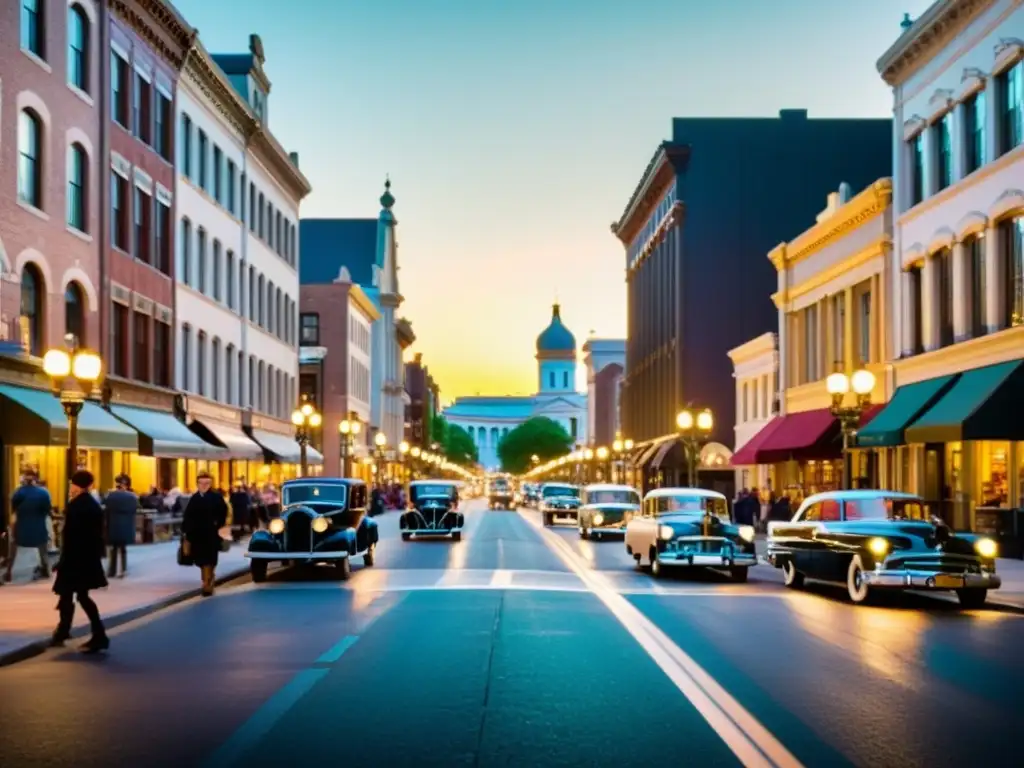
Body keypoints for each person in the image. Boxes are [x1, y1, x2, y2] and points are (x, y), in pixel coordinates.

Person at [52, 470, 109, 653]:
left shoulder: (77, 506)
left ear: (77, 485)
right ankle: (65, 630)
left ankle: (97, 634)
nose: (70, 488)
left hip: (75, 559)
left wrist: (62, 561)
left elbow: (72, 537)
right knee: (71, 594)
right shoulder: (92, 504)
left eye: (72, 484)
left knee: (75, 595)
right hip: (86, 558)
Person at [181, 471, 228, 597]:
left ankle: (207, 583)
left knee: (210, 559)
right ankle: (207, 579)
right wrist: (186, 532)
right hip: (197, 535)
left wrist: (218, 524)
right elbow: (188, 516)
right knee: (201, 560)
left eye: (207, 483)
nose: (204, 485)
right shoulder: (194, 498)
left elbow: (223, 513)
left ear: (211, 483)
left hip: (211, 534)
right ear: (197, 484)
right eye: (201, 483)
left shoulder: (216, 497)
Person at [4, 468, 53, 584]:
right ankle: (45, 569)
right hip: (38, 526)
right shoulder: (43, 493)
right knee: (43, 549)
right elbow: (47, 510)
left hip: (22, 526)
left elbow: (14, 509)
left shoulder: (18, 492)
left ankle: (9, 571)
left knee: (13, 549)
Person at [105, 474, 138, 578]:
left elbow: (106, 509)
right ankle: (123, 570)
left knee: (114, 549)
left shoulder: (111, 496)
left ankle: (112, 571)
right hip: (127, 526)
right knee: (123, 549)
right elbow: (135, 510)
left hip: (114, 525)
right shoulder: (132, 497)